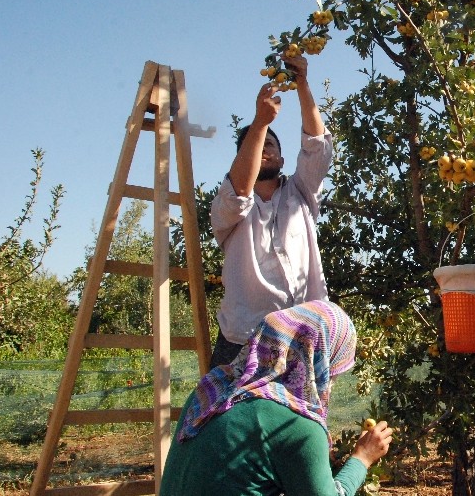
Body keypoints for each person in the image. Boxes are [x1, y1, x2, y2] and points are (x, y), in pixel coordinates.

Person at [161, 300, 393, 496]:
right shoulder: (296, 426)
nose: (333, 380)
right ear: (320, 361)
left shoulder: (210, 391)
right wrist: (362, 458)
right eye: (334, 370)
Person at [210, 55, 333, 367]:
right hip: (243, 338)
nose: (265, 150)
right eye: (258, 146)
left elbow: (317, 147)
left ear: (281, 159)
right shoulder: (228, 206)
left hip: (303, 336)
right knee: (225, 416)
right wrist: (261, 123)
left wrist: (302, 85)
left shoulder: (301, 193)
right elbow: (239, 191)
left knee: (302, 417)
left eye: (271, 146)